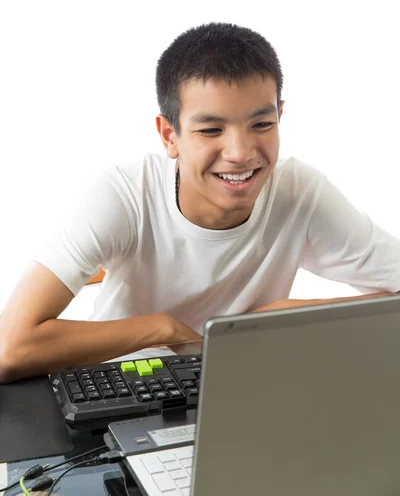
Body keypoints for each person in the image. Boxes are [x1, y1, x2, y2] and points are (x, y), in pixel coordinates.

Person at [1, 22, 399, 384]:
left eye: (262, 124)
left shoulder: (301, 192)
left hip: (240, 393)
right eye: (211, 130)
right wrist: (162, 328)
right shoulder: (121, 194)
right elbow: (10, 348)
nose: (241, 153)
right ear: (169, 135)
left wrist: (285, 318)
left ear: (280, 115)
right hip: (120, 390)